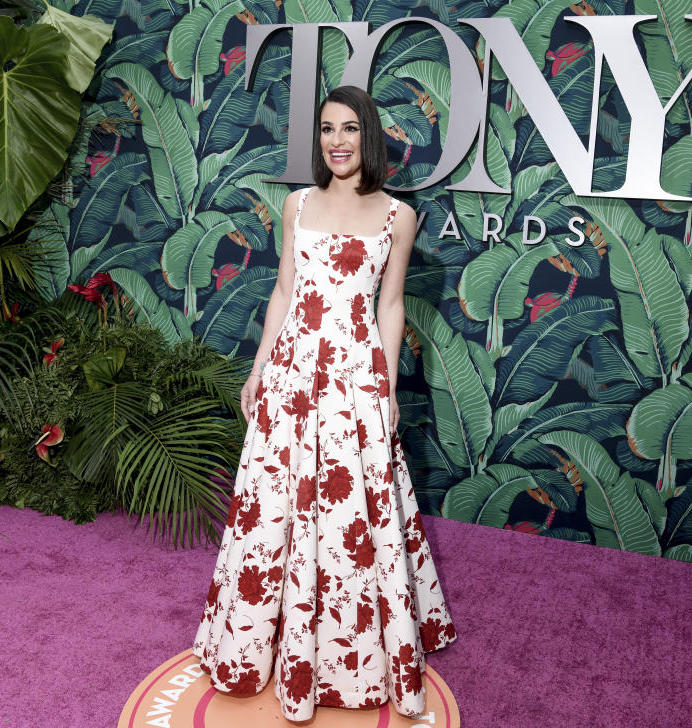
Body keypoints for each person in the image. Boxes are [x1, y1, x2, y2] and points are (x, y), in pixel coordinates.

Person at [192, 86, 457, 722]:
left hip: (354, 379)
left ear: (369, 136)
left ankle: (351, 656)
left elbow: (390, 306)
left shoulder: (399, 216)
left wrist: (387, 388)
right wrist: (259, 369)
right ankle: (262, 644)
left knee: (351, 519)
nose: (336, 141)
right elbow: (284, 289)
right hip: (291, 373)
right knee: (274, 508)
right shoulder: (296, 204)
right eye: (326, 130)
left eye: (349, 129)